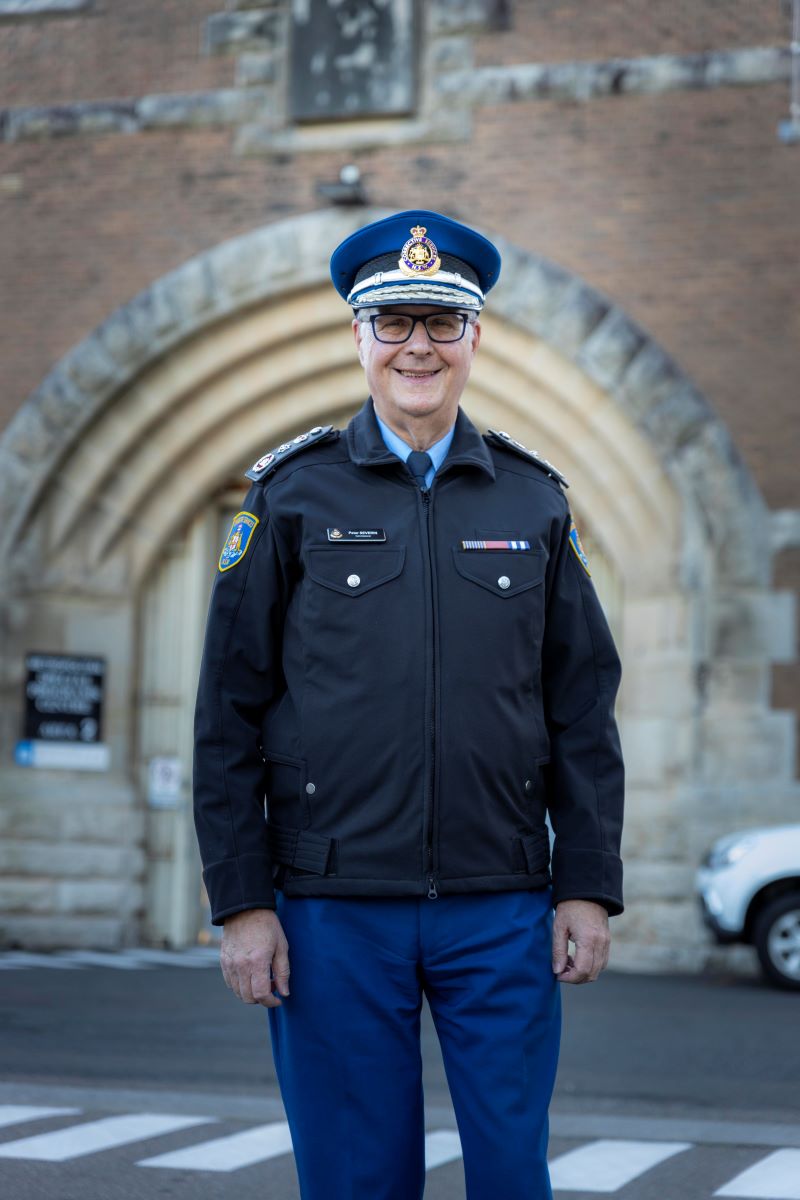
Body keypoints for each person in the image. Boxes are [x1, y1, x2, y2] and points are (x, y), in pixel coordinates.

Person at [193, 209, 624, 1200]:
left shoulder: (533, 502)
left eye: (440, 323)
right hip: (331, 911)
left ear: (475, 338)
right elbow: (226, 714)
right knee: (355, 1181)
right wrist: (244, 903)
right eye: (392, 324)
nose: (416, 347)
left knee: (513, 1176)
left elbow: (581, 711)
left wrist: (585, 884)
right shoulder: (288, 497)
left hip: (502, 906)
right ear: (357, 338)